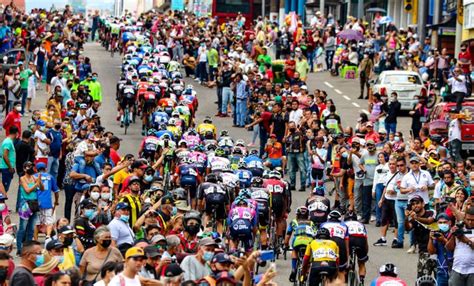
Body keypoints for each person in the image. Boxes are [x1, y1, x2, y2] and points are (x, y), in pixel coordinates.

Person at [404, 195, 435, 278]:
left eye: (417, 203)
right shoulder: (413, 219)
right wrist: (406, 218)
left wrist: (416, 218)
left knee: (440, 280)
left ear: (423, 204)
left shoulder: (431, 212)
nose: (415, 206)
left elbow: (429, 221)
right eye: (413, 204)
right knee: (422, 280)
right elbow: (408, 227)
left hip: (437, 252)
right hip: (423, 252)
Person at [445, 206, 474, 286]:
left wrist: (466, 240)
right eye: (468, 219)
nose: (470, 222)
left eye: (473, 220)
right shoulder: (460, 228)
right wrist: (454, 235)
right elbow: (448, 248)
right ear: (465, 218)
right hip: (457, 269)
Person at [427, 213, 453, 286]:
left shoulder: (453, 234)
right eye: (440, 223)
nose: (442, 224)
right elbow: (431, 251)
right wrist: (430, 239)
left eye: (445, 222)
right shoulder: (436, 234)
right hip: (441, 271)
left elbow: (452, 248)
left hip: (454, 271)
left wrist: (443, 240)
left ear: (450, 223)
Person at [285, 121, 306, 192]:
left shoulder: (300, 133)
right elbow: (284, 141)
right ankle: (292, 185)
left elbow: (305, 137)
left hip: (299, 153)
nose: (291, 128)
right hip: (290, 153)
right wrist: (287, 136)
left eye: (292, 126)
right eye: (290, 127)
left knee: (302, 169)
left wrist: (300, 129)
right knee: (291, 170)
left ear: (295, 126)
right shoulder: (288, 134)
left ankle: (303, 186)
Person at [0, 126, 18, 194]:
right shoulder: (8, 142)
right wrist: (10, 167)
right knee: (3, 190)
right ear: (16, 133)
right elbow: (5, 155)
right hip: (6, 168)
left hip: (7, 167)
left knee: (4, 190)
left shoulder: (9, 141)